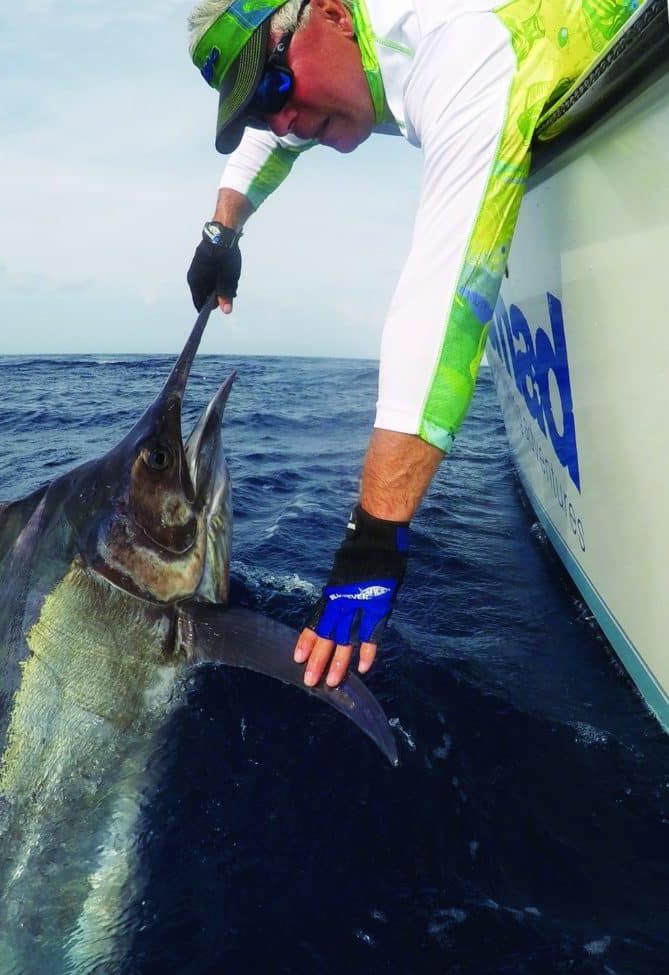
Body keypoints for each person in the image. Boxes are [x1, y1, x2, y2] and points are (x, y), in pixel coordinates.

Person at [186, 0, 636, 690]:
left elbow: (446, 298)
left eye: (273, 90)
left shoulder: (458, 44)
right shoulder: (346, 53)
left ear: (331, 13)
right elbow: (270, 139)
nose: (283, 121)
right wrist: (222, 233)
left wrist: (373, 538)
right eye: (256, 107)